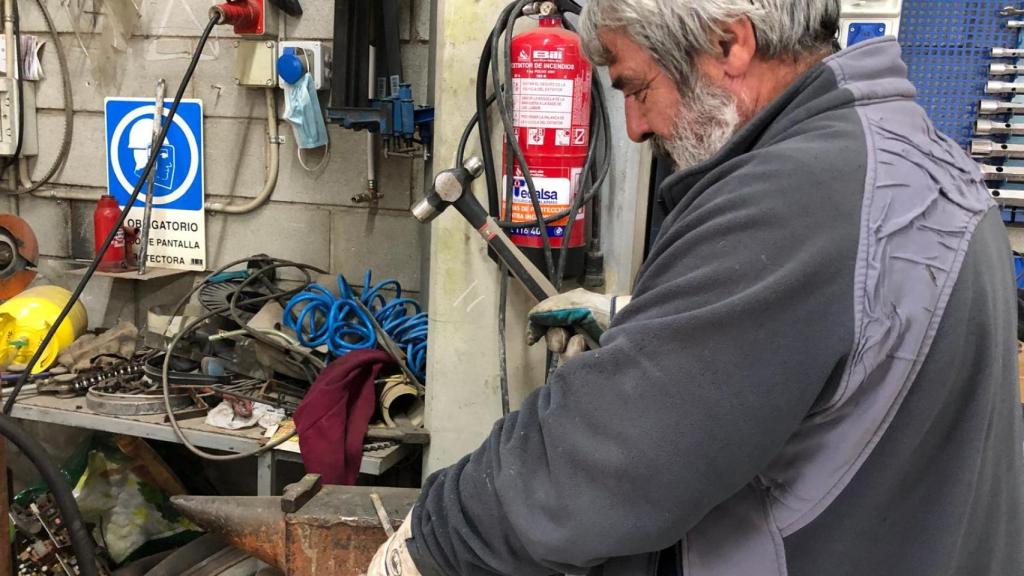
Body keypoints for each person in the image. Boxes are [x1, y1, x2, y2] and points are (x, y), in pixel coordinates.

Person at [369, 0, 1024, 574]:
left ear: (729, 44)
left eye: (635, 87)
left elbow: (589, 469)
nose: (633, 126)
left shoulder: (798, 199)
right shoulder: (917, 160)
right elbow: (837, 352)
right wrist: (643, 316)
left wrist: (428, 546)